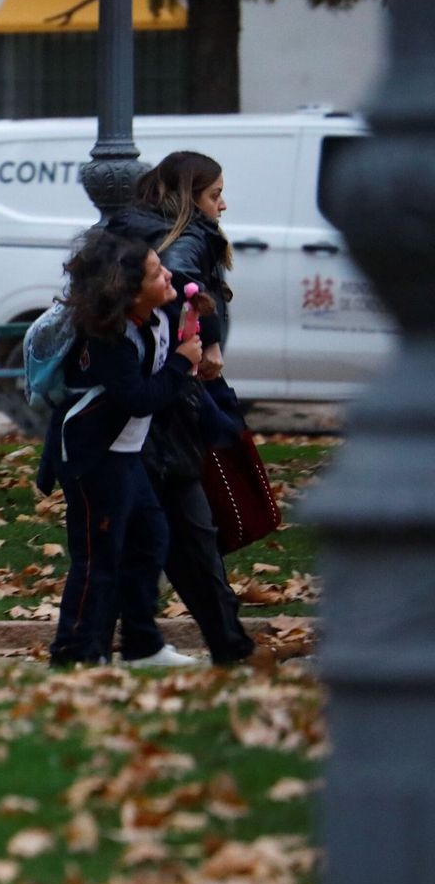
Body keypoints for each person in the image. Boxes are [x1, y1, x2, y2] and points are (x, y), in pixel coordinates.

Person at [103, 152, 257, 665]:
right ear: (191, 196)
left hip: (136, 406)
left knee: (148, 534)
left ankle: (137, 643)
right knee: (183, 533)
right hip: (166, 402)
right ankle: (223, 646)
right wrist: (208, 342)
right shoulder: (186, 236)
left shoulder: (126, 226)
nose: (222, 205)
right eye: (215, 195)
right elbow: (184, 283)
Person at [36, 229, 204, 667]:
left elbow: (196, 300)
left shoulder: (160, 310)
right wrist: (185, 362)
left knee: (150, 540)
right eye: (155, 272)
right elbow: (139, 397)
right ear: (130, 293)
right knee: (97, 558)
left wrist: (198, 315)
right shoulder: (108, 338)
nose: (168, 275)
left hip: (128, 454)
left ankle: (141, 645)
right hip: (93, 459)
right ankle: (74, 653)